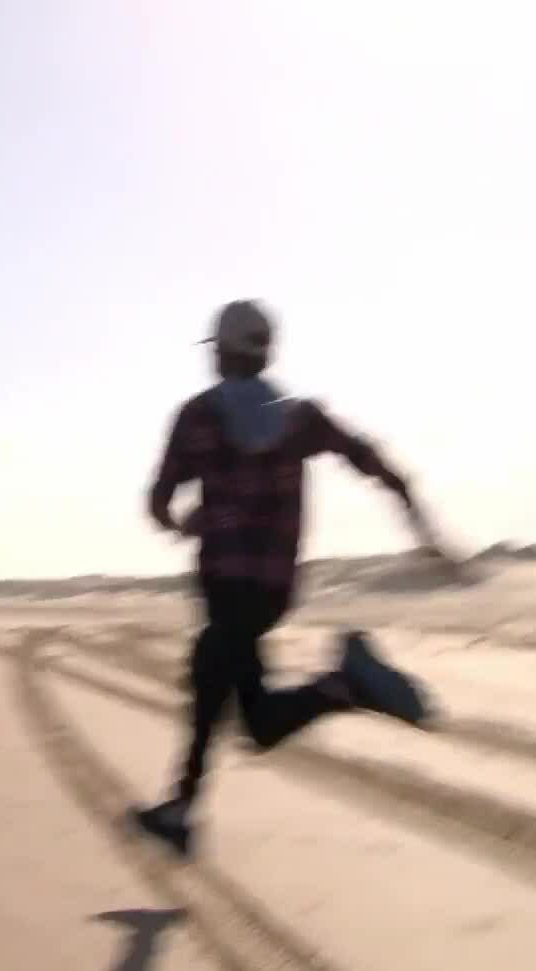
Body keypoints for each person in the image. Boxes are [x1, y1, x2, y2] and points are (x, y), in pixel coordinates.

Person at [130, 298, 447, 858]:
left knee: (210, 678)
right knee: (252, 718)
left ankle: (346, 685)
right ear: (267, 351)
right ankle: (184, 806)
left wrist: (187, 522)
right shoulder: (301, 418)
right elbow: (370, 460)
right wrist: (419, 520)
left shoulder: (198, 417)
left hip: (227, 588)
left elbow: (158, 503)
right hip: (273, 592)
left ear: (222, 353)